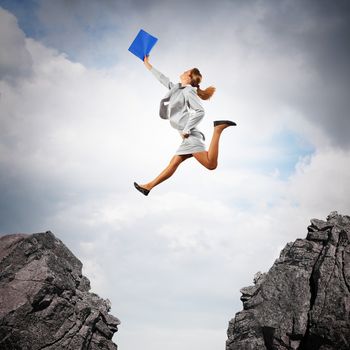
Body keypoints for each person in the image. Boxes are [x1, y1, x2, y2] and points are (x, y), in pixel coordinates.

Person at [134, 55, 236, 196]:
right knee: (173, 163)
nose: (183, 71)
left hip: (190, 136)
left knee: (211, 165)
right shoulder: (177, 89)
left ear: (189, 77)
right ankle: (148, 187)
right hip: (187, 136)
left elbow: (200, 111)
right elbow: (162, 78)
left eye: (186, 71)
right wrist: (147, 64)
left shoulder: (188, 91)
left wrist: (187, 129)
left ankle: (218, 129)